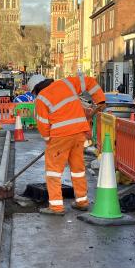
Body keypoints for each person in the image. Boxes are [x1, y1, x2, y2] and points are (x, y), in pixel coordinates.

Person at [27, 71, 106, 216]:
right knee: (78, 170)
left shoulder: (41, 99)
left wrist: (48, 142)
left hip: (60, 136)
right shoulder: (66, 83)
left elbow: (43, 125)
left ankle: (56, 207)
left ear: (35, 89)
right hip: (79, 133)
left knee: (53, 172)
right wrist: (100, 100)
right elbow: (89, 81)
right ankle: (82, 202)